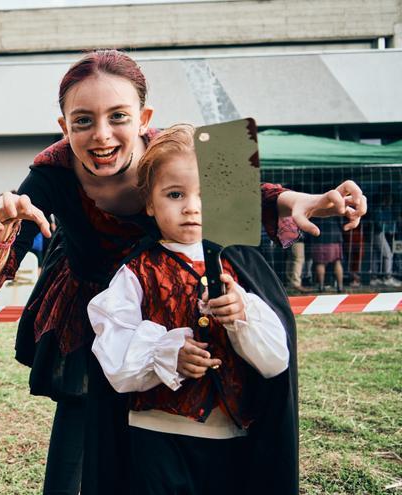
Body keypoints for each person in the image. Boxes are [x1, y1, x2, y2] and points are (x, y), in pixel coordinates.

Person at [0, 49, 367, 494]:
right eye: (83, 120)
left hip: (184, 299)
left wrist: (299, 201)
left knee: (208, 427)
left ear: (144, 117)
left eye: (118, 116)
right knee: (85, 445)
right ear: (64, 127)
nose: (101, 135)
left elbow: (244, 192)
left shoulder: (174, 151)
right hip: (103, 308)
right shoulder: (52, 172)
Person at [88, 124, 297, 494]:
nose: (192, 207)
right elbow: (115, 357)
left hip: (232, 438)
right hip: (158, 438)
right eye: (175, 194)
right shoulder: (135, 272)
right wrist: (167, 354)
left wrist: (241, 314)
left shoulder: (239, 266)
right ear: (150, 203)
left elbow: (275, 361)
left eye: (204, 194)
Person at [310, 216, 345, 292]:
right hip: (335, 236)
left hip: (319, 235)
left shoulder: (314, 205)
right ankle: (340, 287)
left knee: (320, 263)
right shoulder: (334, 206)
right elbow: (341, 221)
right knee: (337, 261)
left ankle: (321, 286)